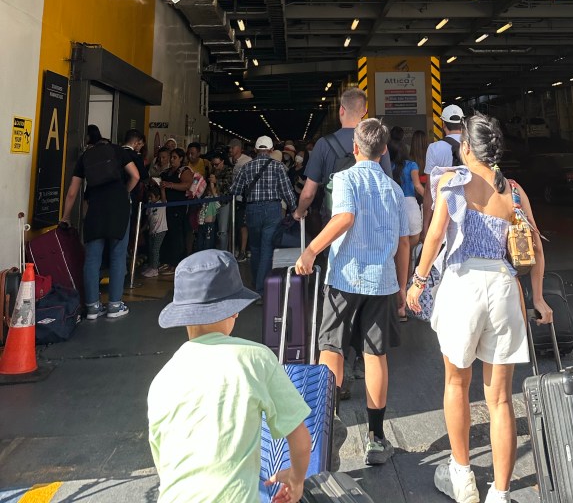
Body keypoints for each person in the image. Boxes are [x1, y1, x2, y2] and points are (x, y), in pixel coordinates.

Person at [407, 113, 551, 503]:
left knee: (456, 384)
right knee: (500, 399)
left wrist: (418, 281)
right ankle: (500, 493)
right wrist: (538, 298)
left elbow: (435, 235)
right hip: (505, 289)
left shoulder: (454, 182)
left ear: (466, 147)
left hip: (463, 286)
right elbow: (535, 248)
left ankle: (462, 476)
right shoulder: (515, 191)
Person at [148, 249, 311, 503]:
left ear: (183, 316)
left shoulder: (162, 380)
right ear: (234, 311)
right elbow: (300, 440)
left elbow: (164, 464)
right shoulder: (256, 359)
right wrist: (296, 479)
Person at [296, 118, 410, 467]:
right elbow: (405, 243)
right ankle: (376, 438)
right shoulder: (394, 189)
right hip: (382, 281)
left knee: (331, 348)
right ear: (384, 150)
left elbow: (344, 217)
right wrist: (402, 287)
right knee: (375, 355)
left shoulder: (345, 178)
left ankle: (326, 427)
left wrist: (310, 251)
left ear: (355, 148)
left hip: (345, 279)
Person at [60, 124, 140, 320]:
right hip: (118, 209)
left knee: (92, 259)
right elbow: (136, 176)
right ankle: (114, 306)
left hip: (95, 209)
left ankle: (92, 308)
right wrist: (124, 192)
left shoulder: (84, 158)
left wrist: (65, 217)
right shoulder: (118, 151)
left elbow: (72, 192)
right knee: (117, 256)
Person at [293, 87, 392, 229]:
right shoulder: (377, 141)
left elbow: (308, 193)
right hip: (371, 221)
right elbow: (388, 184)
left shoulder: (323, 144)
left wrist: (299, 211)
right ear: (364, 112)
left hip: (335, 223)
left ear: (341, 110)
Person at [230, 135, 297, 300]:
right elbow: (287, 191)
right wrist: (295, 210)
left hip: (252, 210)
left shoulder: (247, 166)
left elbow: (235, 190)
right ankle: (261, 289)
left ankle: (256, 284)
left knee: (255, 248)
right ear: (271, 149)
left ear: (255, 149)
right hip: (272, 210)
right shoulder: (278, 166)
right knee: (267, 249)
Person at [391, 135, 423, 317]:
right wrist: (432, 200)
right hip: (410, 206)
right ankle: (408, 291)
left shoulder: (387, 166)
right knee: (409, 251)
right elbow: (417, 186)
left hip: (393, 206)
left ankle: (397, 297)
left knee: (396, 254)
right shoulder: (412, 165)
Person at [422, 105, 465, 237]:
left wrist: (426, 225)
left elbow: (429, 189)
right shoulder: (473, 147)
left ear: (443, 124)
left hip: (443, 211)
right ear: (462, 123)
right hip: (470, 209)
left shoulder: (434, 148)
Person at [158, 147, 194, 273]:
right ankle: (167, 260)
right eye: (171, 157)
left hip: (178, 207)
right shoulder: (167, 171)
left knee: (177, 234)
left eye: (175, 157)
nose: (172, 160)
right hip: (167, 206)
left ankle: (177, 262)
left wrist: (171, 185)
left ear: (181, 158)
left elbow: (187, 185)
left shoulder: (184, 171)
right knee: (168, 234)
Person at [229, 137, 254, 260]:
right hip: (232, 197)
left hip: (244, 197)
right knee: (235, 224)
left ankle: (244, 250)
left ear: (238, 148)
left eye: (232, 147)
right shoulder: (230, 161)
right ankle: (236, 248)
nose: (230, 150)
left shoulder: (247, 161)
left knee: (243, 224)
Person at [142, 181, 167, 278]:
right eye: (149, 196)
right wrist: (142, 229)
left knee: (155, 249)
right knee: (151, 249)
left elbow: (164, 198)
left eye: (151, 197)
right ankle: (151, 266)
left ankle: (155, 269)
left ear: (158, 197)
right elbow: (148, 221)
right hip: (152, 231)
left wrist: (162, 189)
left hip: (160, 230)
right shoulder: (149, 206)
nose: (149, 198)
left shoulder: (161, 204)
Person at [210, 150, 234, 251]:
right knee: (212, 228)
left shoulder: (229, 170)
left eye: (216, 164)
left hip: (224, 202)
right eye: (213, 164)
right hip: (213, 201)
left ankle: (223, 252)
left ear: (222, 161)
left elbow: (229, 185)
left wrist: (216, 181)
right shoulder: (213, 170)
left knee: (223, 231)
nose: (214, 166)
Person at [195, 174, 220, 252]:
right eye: (209, 189)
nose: (210, 190)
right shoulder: (205, 198)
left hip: (210, 224)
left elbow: (217, 203)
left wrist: (213, 186)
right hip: (202, 223)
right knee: (200, 243)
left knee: (208, 244)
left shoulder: (216, 200)